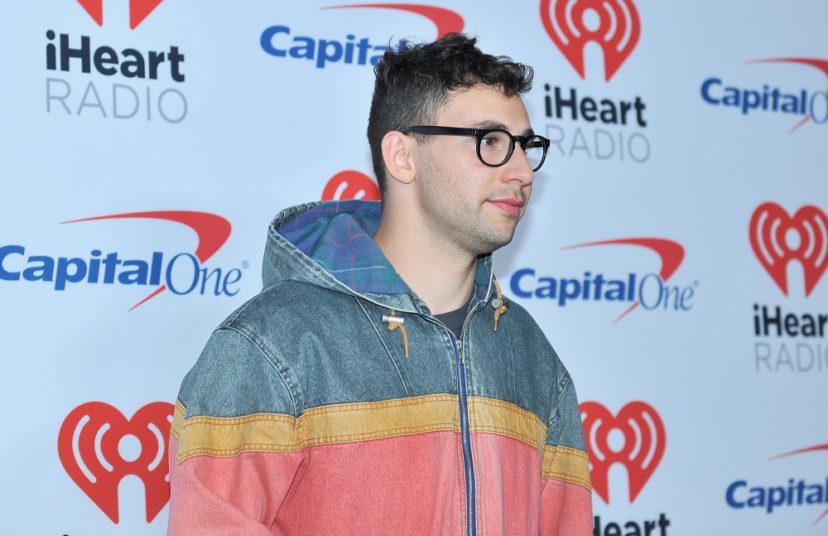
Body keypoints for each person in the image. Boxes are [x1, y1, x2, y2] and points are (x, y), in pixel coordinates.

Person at [168, 33, 592, 535]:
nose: (522, 171)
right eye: (491, 142)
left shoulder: (530, 353)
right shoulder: (270, 346)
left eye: (525, 146)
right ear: (402, 156)